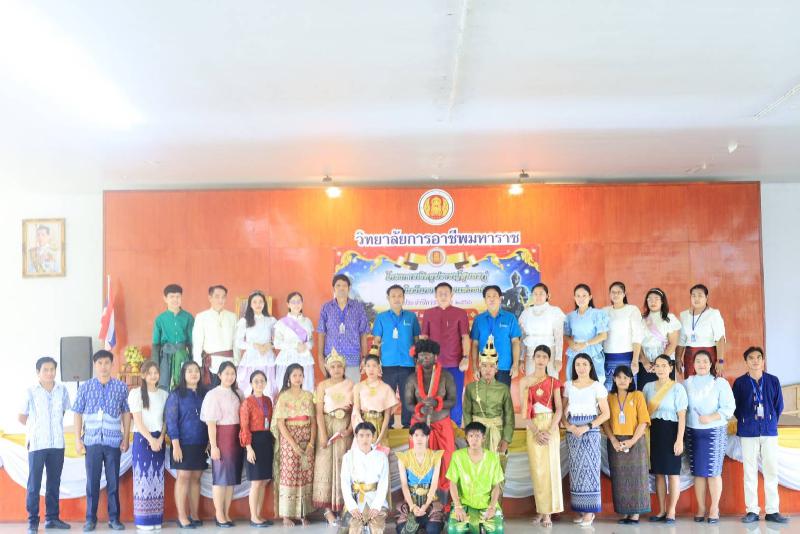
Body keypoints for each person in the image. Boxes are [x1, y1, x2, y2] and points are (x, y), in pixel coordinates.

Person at [73, 350, 131, 532]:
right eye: (100, 363)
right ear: (94, 365)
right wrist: (77, 440)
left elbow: (126, 413)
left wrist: (126, 437)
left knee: (113, 482)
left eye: (107, 363)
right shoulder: (85, 387)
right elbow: (77, 413)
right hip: (92, 442)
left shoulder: (121, 387)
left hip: (113, 442)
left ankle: (114, 519)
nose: (103, 367)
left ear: (112, 364)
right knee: (92, 482)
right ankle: (90, 519)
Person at [733, 347, 789, 524]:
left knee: (771, 471)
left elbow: (779, 405)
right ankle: (752, 511)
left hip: (769, 431)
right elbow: (735, 407)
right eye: (751, 358)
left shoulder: (773, 380)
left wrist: (770, 421)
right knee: (749, 472)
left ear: (763, 360)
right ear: (746, 362)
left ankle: (772, 511)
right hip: (748, 431)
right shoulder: (740, 383)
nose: (755, 361)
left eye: (758, 357)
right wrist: (746, 420)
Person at [19, 356, 71, 533]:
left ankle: (52, 518)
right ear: (38, 372)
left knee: (54, 483)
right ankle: (33, 521)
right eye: (45, 370)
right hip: (37, 444)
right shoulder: (30, 392)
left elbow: (63, 412)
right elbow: (21, 417)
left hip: (57, 444)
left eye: (52, 369)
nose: (49, 373)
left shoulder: (62, 390)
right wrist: (36, 428)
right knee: (34, 484)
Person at [684, 350, 735, 524]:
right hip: (693, 431)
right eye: (698, 361)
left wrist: (711, 417)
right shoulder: (686, 383)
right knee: (698, 473)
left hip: (714, 431)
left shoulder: (720, 383)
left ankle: (714, 508)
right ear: (693, 364)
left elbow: (729, 407)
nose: (702, 364)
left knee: (713, 472)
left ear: (711, 364)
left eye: (705, 361)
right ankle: (701, 508)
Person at [404, 339, 457, 499]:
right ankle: (421, 502)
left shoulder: (446, 376)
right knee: (419, 462)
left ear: (435, 356)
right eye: (421, 355)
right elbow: (408, 404)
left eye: (428, 355)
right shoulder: (412, 379)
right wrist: (419, 408)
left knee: (446, 461)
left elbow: (453, 401)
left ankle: (444, 503)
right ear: (417, 358)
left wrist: (438, 403)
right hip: (419, 427)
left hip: (442, 426)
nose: (424, 358)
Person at [562, 353, 610, 527]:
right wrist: (569, 426)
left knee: (590, 470)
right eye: (577, 364)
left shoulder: (597, 386)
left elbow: (606, 414)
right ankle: (580, 510)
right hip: (573, 432)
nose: (581, 368)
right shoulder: (568, 385)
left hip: (590, 432)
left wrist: (587, 426)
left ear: (590, 366)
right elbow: (562, 411)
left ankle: (590, 512)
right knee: (576, 471)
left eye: (584, 364)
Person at [519, 345, 563, 527]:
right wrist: (536, 431)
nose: (541, 360)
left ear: (548, 360)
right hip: (533, 426)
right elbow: (524, 412)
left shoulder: (553, 381)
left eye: (545, 357)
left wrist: (550, 430)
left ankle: (548, 514)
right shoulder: (525, 381)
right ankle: (541, 509)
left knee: (551, 469)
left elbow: (559, 409)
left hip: (550, 427)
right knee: (537, 471)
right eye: (538, 356)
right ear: (533, 358)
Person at [602, 365, 651, 524]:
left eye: (626, 377)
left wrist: (632, 441)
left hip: (635, 441)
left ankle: (635, 513)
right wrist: (613, 440)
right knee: (619, 478)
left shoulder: (637, 395)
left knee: (637, 476)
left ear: (631, 379)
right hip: (615, 443)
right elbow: (605, 422)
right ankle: (623, 512)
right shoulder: (609, 397)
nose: (622, 380)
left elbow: (643, 421)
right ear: (614, 379)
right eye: (619, 377)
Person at [312, 349, 355, 526]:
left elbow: (355, 410)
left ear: (344, 368)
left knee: (343, 465)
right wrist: (323, 434)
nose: (336, 369)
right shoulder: (322, 385)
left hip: (344, 428)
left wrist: (350, 429)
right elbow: (318, 412)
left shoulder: (351, 384)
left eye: (339, 366)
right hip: (328, 427)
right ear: (328, 369)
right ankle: (327, 510)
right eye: (333, 366)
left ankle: (345, 507)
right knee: (325, 465)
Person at [643, 354, 687, 524]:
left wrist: (679, 439)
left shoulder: (677, 388)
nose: (660, 369)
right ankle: (661, 510)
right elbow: (643, 413)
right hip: (653, 432)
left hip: (672, 432)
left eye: (664, 366)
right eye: (657, 366)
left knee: (673, 474)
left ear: (670, 368)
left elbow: (682, 416)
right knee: (659, 474)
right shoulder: (647, 387)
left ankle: (671, 511)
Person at [200, 361, 244, 528]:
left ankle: (226, 513)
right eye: (226, 373)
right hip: (221, 438)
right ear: (219, 375)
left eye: (232, 373)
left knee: (231, 479)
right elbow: (211, 423)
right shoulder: (213, 394)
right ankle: (219, 515)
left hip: (236, 439)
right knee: (220, 478)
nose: (230, 377)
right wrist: (214, 446)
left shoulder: (238, 393)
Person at [165, 361, 208, 529]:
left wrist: (210, 441)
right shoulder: (176, 395)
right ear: (183, 374)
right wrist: (175, 445)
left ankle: (194, 515)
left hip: (201, 442)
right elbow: (171, 421)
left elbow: (210, 418)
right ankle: (182, 517)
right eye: (189, 371)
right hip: (182, 443)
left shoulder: (205, 394)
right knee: (183, 477)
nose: (194, 374)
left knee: (196, 478)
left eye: (196, 370)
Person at [420, 282, 470, 425]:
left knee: (455, 399)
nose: (443, 296)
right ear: (435, 296)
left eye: (446, 293)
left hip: (455, 365)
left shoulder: (460, 313)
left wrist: (466, 357)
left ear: (451, 295)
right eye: (440, 293)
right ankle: (435, 429)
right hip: (434, 366)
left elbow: (465, 337)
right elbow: (424, 338)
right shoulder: (428, 313)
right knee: (433, 399)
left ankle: (455, 429)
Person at [272, 363, 316, 526]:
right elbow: (280, 424)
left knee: (305, 473)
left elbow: (313, 422)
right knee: (289, 474)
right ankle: (286, 515)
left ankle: (303, 513)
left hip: (306, 437)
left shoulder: (309, 396)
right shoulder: (283, 397)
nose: (298, 378)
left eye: (300, 375)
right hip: (289, 439)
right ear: (288, 378)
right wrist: (293, 445)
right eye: (294, 375)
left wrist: (311, 443)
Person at [372, 284, 421, 427]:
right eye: (393, 296)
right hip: (388, 364)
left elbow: (417, 340)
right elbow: (376, 341)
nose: (396, 299)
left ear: (404, 298)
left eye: (400, 296)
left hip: (408, 364)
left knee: (408, 396)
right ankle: (388, 425)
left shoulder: (411, 317)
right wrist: (376, 363)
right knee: (388, 396)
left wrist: (418, 360)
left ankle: (407, 425)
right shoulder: (381, 317)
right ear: (388, 298)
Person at [128, 360, 168, 531]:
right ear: (143, 375)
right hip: (143, 439)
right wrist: (151, 440)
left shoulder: (164, 394)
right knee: (143, 480)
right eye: (149, 373)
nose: (153, 376)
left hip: (159, 439)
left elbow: (166, 421)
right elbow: (137, 421)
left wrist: (160, 438)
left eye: (155, 373)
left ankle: (156, 518)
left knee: (157, 479)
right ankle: (143, 520)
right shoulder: (136, 394)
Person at [462, 341, 514, 470]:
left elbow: (509, 416)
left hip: (497, 433)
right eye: (484, 365)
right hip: (476, 434)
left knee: (496, 470)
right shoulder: (471, 388)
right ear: (479, 367)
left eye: (491, 366)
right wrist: (469, 435)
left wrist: (506, 440)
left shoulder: (503, 389)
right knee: (476, 469)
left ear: (496, 369)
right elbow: (466, 413)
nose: (487, 370)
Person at [446, 422, 505, 534]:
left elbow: (496, 486)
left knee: (497, 529)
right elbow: (452, 483)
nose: (474, 439)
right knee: (454, 530)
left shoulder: (493, 458)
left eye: (477, 436)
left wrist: (492, 507)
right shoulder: (457, 456)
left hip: (486, 504)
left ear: (483, 438)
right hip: (464, 504)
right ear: (466, 438)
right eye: (471, 436)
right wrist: (458, 506)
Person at [317, 274, 369, 383]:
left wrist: (364, 358)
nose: (341, 288)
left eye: (344, 285)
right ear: (334, 288)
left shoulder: (358, 307)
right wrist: (320, 357)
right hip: (332, 361)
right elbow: (321, 333)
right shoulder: (326, 308)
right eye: (338, 285)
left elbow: (363, 334)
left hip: (352, 360)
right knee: (333, 392)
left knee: (352, 391)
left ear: (349, 288)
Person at [239, 370, 275, 528]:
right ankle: (253, 517)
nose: (260, 384)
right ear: (251, 384)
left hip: (266, 441)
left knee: (263, 481)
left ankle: (259, 515)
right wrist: (249, 448)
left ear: (266, 383)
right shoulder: (247, 402)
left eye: (262, 381)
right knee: (256, 482)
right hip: (253, 442)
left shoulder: (268, 400)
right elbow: (244, 427)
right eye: (256, 381)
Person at [340, 422, 391, 534]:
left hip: (375, 499)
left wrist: (377, 506)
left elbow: (383, 483)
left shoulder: (381, 457)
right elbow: (345, 483)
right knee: (354, 529)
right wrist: (351, 506)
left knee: (377, 529)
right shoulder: (348, 457)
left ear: (373, 437)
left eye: (368, 435)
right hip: (356, 500)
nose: (365, 439)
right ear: (356, 437)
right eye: (361, 435)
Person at [395, 423, 445, 534]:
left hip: (430, 502)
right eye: (416, 435)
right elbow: (404, 485)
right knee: (404, 530)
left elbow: (434, 484)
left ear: (428, 437)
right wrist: (412, 506)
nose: (419, 438)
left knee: (433, 530)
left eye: (423, 435)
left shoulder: (435, 457)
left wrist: (425, 506)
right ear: (411, 437)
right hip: (410, 503)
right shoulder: (403, 457)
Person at [470, 285, 522, 386]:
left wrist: (515, 364)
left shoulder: (510, 318)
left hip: (504, 367)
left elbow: (515, 342)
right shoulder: (478, 319)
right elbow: (475, 344)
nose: (491, 299)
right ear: (485, 300)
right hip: (484, 368)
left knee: (502, 395)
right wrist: (475, 367)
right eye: (488, 296)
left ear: (500, 298)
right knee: (484, 396)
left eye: (494, 296)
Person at [676, 284, 726, 377]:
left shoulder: (713, 314)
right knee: (690, 382)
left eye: (700, 295)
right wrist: (678, 358)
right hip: (690, 355)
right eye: (693, 295)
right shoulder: (684, 315)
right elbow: (681, 340)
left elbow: (720, 338)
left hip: (709, 355)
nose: (696, 298)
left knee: (709, 382)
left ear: (706, 297)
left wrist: (720, 361)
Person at [235, 290, 278, 398]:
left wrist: (269, 344)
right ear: (250, 304)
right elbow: (238, 342)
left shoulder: (271, 320)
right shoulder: (244, 321)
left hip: (268, 359)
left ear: (264, 303)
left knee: (269, 389)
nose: (258, 304)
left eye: (260, 301)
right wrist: (254, 345)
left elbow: (278, 340)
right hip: (251, 359)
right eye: (254, 302)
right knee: (249, 390)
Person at [563, 283, 609, 384]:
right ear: (574, 298)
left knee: (595, 382)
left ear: (590, 297)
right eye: (578, 296)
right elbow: (566, 335)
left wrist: (585, 344)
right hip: (575, 350)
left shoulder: (597, 314)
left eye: (584, 296)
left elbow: (603, 335)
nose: (581, 299)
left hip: (592, 350)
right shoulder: (570, 316)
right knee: (573, 381)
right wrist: (571, 343)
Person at [192, 285, 237, 386]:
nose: (220, 300)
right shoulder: (201, 317)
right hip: (210, 366)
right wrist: (198, 366)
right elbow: (197, 343)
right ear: (210, 298)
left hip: (229, 365)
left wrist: (237, 363)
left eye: (223, 297)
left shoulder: (233, 317)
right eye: (217, 296)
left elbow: (236, 342)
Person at [151, 283, 194, 390]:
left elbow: (191, 342)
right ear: (165, 298)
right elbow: (156, 344)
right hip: (165, 357)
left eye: (178, 296)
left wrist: (193, 361)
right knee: (164, 387)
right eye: (172, 297)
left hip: (183, 356)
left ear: (181, 298)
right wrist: (155, 366)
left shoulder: (188, 317)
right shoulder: (160, 319)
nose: (175, 299)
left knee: (184, 385)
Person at [602, 281, 644, 390]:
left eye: (619, 292)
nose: (615, 295)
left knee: (627, 389)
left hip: (627, 356)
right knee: (609, 389)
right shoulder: (604, 311)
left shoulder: (632, 310)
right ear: (609, 294)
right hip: (607, 357)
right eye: (613, 292)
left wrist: (635, 359)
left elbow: (637, 336)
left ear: (624, 294)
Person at [518, 283, 565, 378]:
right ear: (531, 296)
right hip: (531, 353)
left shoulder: (555, 311)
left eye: (541, 293)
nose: (538, 296)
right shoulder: (526, 313)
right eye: (535, 294)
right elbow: (522, 338)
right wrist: (521, 358)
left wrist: (558, 358)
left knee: (551, 381)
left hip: (550, 353)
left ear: (547, 295)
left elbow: (559, 337)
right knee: (531, 382)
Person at [638, 288, 681, 389]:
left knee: (665, 391)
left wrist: (659, 363)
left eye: (656, 299)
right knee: (645, 391)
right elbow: (636, 342)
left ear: (662, 301)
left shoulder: (670, 319)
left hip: (665, 361)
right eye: (650, 299)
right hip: (645, 363)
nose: (653, 302)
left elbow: (673, 343)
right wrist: (644, 361)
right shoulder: (640, 319)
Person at [352, 353, 397, 449]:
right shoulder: (358, 386)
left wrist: (381, 435)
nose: (371, 369)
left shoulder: (386, 388)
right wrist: (362, 426)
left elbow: (387, 415)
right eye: (368, 366)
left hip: (380, 425)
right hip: (363, 424)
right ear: (364, 368)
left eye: (374, 366)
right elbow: (356, 409)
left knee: (379, 454)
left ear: (379, 368)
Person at [273, 291, 315, 393]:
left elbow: (311, 340)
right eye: (293, 302)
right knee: (286, 387)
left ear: (302, 303)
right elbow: (277, 343)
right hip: (287, 358)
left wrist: (306, 345)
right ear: (288, 304)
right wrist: (295, 345)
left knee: (305, 387)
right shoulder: (281, 323)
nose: (296, 304)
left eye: (299, 301)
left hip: (304, 358)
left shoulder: (307, 321)